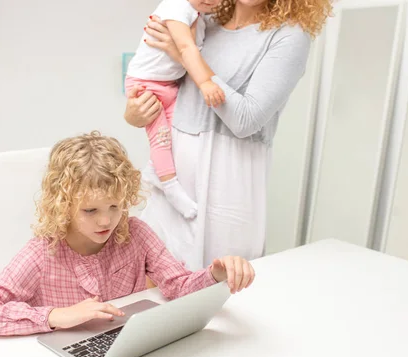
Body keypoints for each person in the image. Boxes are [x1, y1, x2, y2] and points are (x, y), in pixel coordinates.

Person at [0, 131, 255, 337]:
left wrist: (215, 275)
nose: (107, 221)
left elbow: (177, 286)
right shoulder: (42, 253)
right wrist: (54, 316)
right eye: (90, 211)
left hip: (123, 344)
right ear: (63, 206)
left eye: (115, 206)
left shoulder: (135, 233)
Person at [124, 0, 331, 271]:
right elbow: (164, 88)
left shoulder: (289, 36)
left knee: (217, 291)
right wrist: (134, 115)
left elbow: (246, 119)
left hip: (227, 186)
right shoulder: (205, 23)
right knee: (152, 282)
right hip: (172, 183)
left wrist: (186, 56)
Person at [125, 0, 226, 220]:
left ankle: (156, 170)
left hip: (170, 85)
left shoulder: (199, 17)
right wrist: (205, 84)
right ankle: (171, 188)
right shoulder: (177, 6)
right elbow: (185, 48)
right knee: (161, 139)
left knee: (172, 138)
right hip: (147, 85)